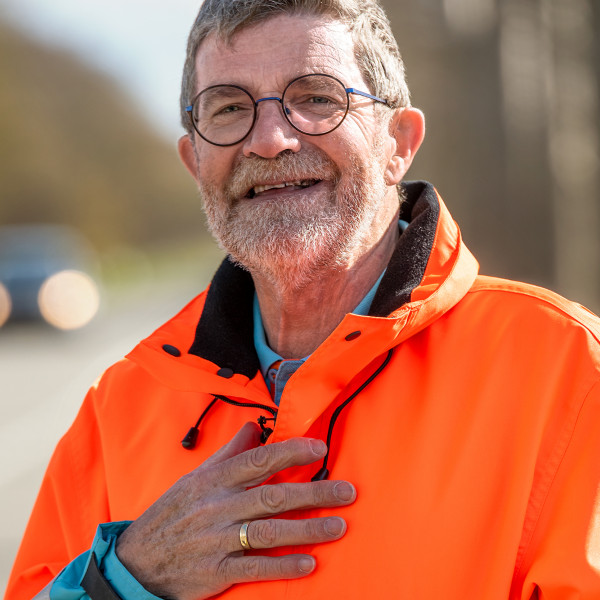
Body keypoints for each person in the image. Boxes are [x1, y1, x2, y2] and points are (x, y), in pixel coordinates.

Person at [6, 0, 600, 598]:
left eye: (316, 98)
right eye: (230, 108)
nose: (269, 140)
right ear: (194, 162)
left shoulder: (567, 371)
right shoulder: (119, 410)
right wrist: (123, 576)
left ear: (399, 142)